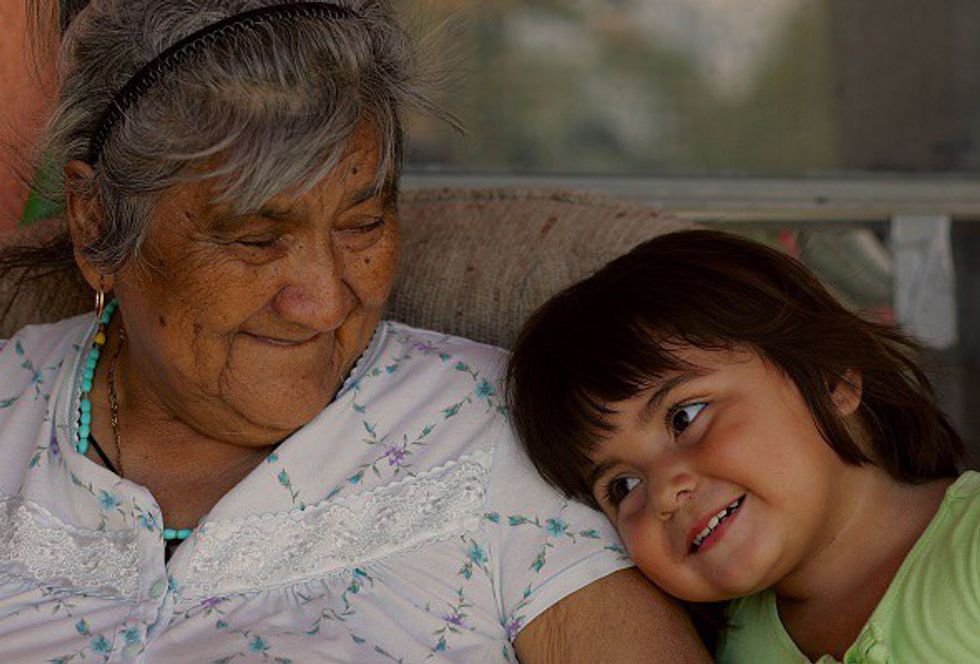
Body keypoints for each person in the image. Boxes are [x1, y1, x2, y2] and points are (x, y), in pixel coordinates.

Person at [0, 1, 713, 661]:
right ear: (96, 224)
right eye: (256, 239)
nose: (323, 303)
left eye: (363, 224)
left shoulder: (496, 427)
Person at [508, 229, 980, 662]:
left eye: (684, 417)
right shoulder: (728, 650)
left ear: (830, 379)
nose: (665, 493)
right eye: (623, 486)